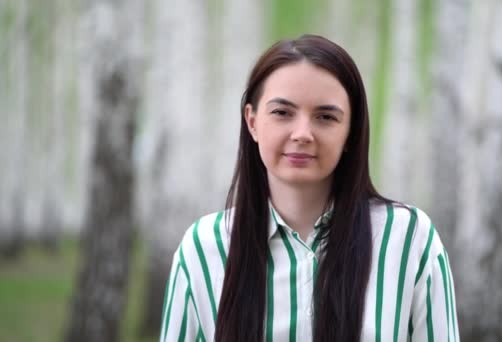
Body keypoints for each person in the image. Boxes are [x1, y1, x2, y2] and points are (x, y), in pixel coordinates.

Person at [160, 34, 459, 342]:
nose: (302, 133)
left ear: (351, 132)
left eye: (325, 117)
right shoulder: (203, 247)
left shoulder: (409, 238)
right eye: (282, 112)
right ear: (252, 122)